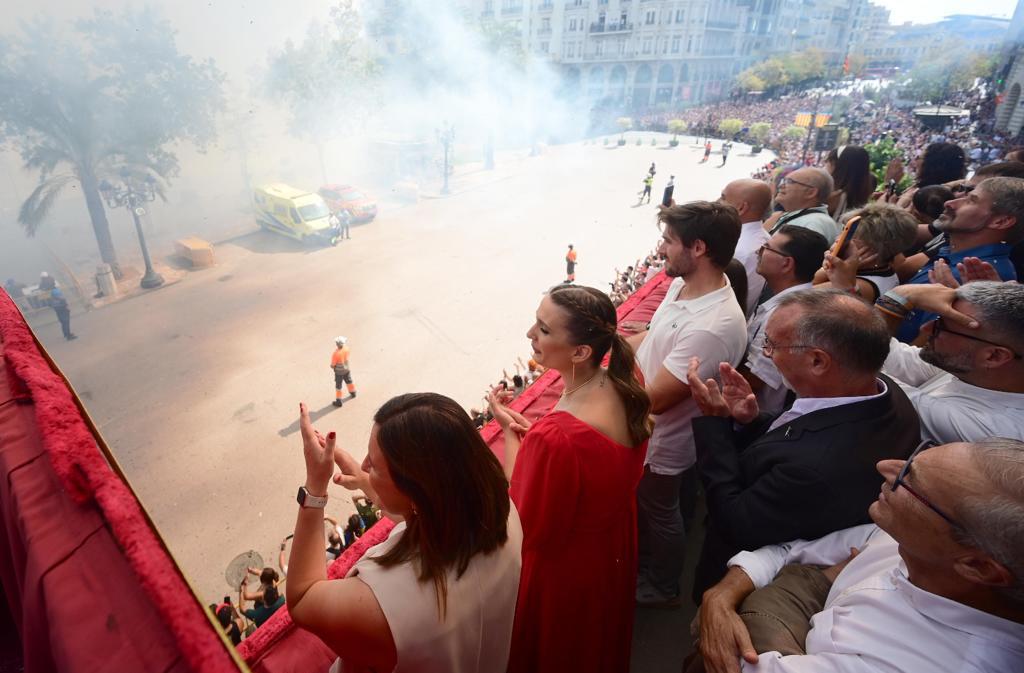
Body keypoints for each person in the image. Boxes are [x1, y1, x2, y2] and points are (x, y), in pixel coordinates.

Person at [693, 438, 1024, 673]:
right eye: (916, 457)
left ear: (978, 567)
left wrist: (777, 597)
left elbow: (729, 661)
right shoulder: (906, 539)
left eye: (912, 482)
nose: (886, 468)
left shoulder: (923, 664)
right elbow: (788, 551)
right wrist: (722, 596)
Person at [686, 289, 920, 599]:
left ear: (818, 361)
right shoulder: (876, 389)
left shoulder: (818, 468)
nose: (766, 354)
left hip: (745, 575)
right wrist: (751, 420)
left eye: (772, 345)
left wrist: (715, 424)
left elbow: (734, 520)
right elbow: (802, 427)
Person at [287, 395, 522, 672]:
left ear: (415, 491)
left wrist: (315, 487)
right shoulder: (502, 511)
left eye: (372, 464)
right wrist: (369, 483)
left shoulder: (385, 602)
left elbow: (302, 598)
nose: (363, 465)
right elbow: (435, 509)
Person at [489, 283, 652, 673]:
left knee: (559, 650)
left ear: (581, 352)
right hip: (610, 545)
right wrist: (532, 442)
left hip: (566, 569)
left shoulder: (557, 438)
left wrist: (514, 439)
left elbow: (523, 522)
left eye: (544, 330)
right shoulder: (628, 383)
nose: (531, 335)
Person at [627, 201, 748, 607]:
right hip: (653, 434)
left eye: (668, 240)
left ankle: (661, 585)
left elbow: (656, 400)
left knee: (659, 513)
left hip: (662, 442)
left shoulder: (713, 326)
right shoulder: (685, 286)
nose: (661, 249)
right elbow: (650, 336)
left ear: (698, 248)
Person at [854, 279, 1024, 444]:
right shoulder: (969, 368)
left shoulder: (997, 430)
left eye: (940, 327)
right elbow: (892, 356)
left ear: (994, 356)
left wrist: (897, 298)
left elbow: (850, 365)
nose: (925, 329)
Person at [895, 177, 1024, 342]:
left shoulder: (975, 276)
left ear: (1001, 221)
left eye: (971, 201)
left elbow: (924, 354)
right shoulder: (954, 254)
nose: (950, 203)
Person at [741, 226, 830, 415]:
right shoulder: (797, 300)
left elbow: (755, 381)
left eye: (766, 248)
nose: (759, 251)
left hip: (754, 418)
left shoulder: (786, 313)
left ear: (786, 264)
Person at [814, 203, 918, 301]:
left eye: (850, 237)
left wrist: (827, 269)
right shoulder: (884, 268)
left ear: (873, 247)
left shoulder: (863, 286)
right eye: (843, 231)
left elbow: (799, 294)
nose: (839, 239)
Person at [720, 178, 773, 313]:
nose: (717, 202)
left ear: (741, 208)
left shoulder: (740, 249)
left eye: (723, 198)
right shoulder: (761, 238)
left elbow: (729, 303)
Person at [764, 168, 840, 244]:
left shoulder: (814, 223)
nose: (780, 185)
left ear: (811, 192)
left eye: (789, 181)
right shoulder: (809, 218)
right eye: (783, 180)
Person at [824, 145, 873, 219]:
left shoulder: (832, 198)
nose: (825, 165)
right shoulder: (861, 194)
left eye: (828, 160)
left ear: (836, 164)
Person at [331, 336, 356, 406]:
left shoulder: (335, 354)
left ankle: (339, 400)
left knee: (338, 386)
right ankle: (353, 392)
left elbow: (333, 365)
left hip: (339, 372)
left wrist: (332, 366)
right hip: (346, 368)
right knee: (349, 381)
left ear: (337, 344)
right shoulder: (347, 349)